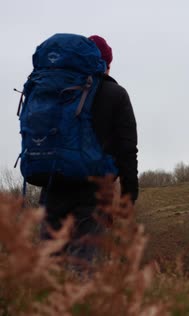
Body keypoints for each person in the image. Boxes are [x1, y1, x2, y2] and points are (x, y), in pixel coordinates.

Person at [40, 35, 138, 265]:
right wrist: (128, 197)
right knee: (83, 268)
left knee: (47, 270)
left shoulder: (57, 91)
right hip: (93, 194)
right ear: (106, 64)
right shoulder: (116, 94)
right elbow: (127, 151)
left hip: (53, 187)